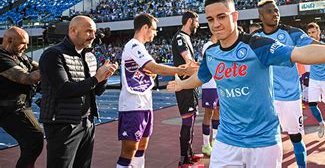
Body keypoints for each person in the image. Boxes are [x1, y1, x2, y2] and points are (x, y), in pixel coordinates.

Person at [167, 0, 325, 167]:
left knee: (297, 137)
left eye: (222, 17)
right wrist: (182, 84)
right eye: (210, 19)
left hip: (263, 141)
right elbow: (202, 76)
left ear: (234, 16)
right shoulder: (211, 54)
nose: (216, 24)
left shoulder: (257, 45)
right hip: (227, 141)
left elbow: (300, 53)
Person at [116, 14, 197, 168]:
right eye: (153, 29)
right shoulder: (133, 45)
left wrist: (178, 69)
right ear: (145, 28)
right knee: (129, 150)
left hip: (144, 104)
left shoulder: (140, 48)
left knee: (141, 148)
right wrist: (180, 71)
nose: (155, 33)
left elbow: (151, 70)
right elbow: (153, 67)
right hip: (133, 105)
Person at [39, 15, 118, 167]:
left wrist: (105, 77)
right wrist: (96, 78)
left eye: (94, 31)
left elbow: (96, 91)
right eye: (89, 31)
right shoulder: (53, 54)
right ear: (73, 30)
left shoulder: (90, 56)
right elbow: (63, 89)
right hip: (62, 124)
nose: (93, 36)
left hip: (87, 122)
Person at [254, 0, 316, 167]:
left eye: (276, 10)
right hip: (267, 99)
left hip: (290, 97)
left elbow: (315, 45)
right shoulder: (255, 38)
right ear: (261, 16)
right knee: (267, 139)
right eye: (270, 11)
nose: (275, 14)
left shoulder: (292, 33)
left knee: (296, 137)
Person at [0, 27, 43, 168]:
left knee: (32, 142)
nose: (26, 47)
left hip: (21, 106)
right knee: (34, 139)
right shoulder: (1, 58)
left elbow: (37, 66)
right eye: (22, 43)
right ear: (9, 40)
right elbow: (26, 78)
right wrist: (53, 66)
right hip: (9, 110)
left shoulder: (20, 55)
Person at [171, 11, 203, 166]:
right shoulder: (180, 37)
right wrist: (204, 66)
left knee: (192, 118)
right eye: (197, 21)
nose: (198, 25)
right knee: (187, 121)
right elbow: (188, 60)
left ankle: (189, 153)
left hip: (190, 85)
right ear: (190, 21)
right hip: (184, 86)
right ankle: (183, 159)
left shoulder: (186, 38)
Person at [200, 34, 220, 156]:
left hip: (218, 85)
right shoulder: (208, 45)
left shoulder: (219, 45)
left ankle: (215, 140)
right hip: (209, 85)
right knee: (209, 113)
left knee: (218, 111)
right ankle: (206, 144)